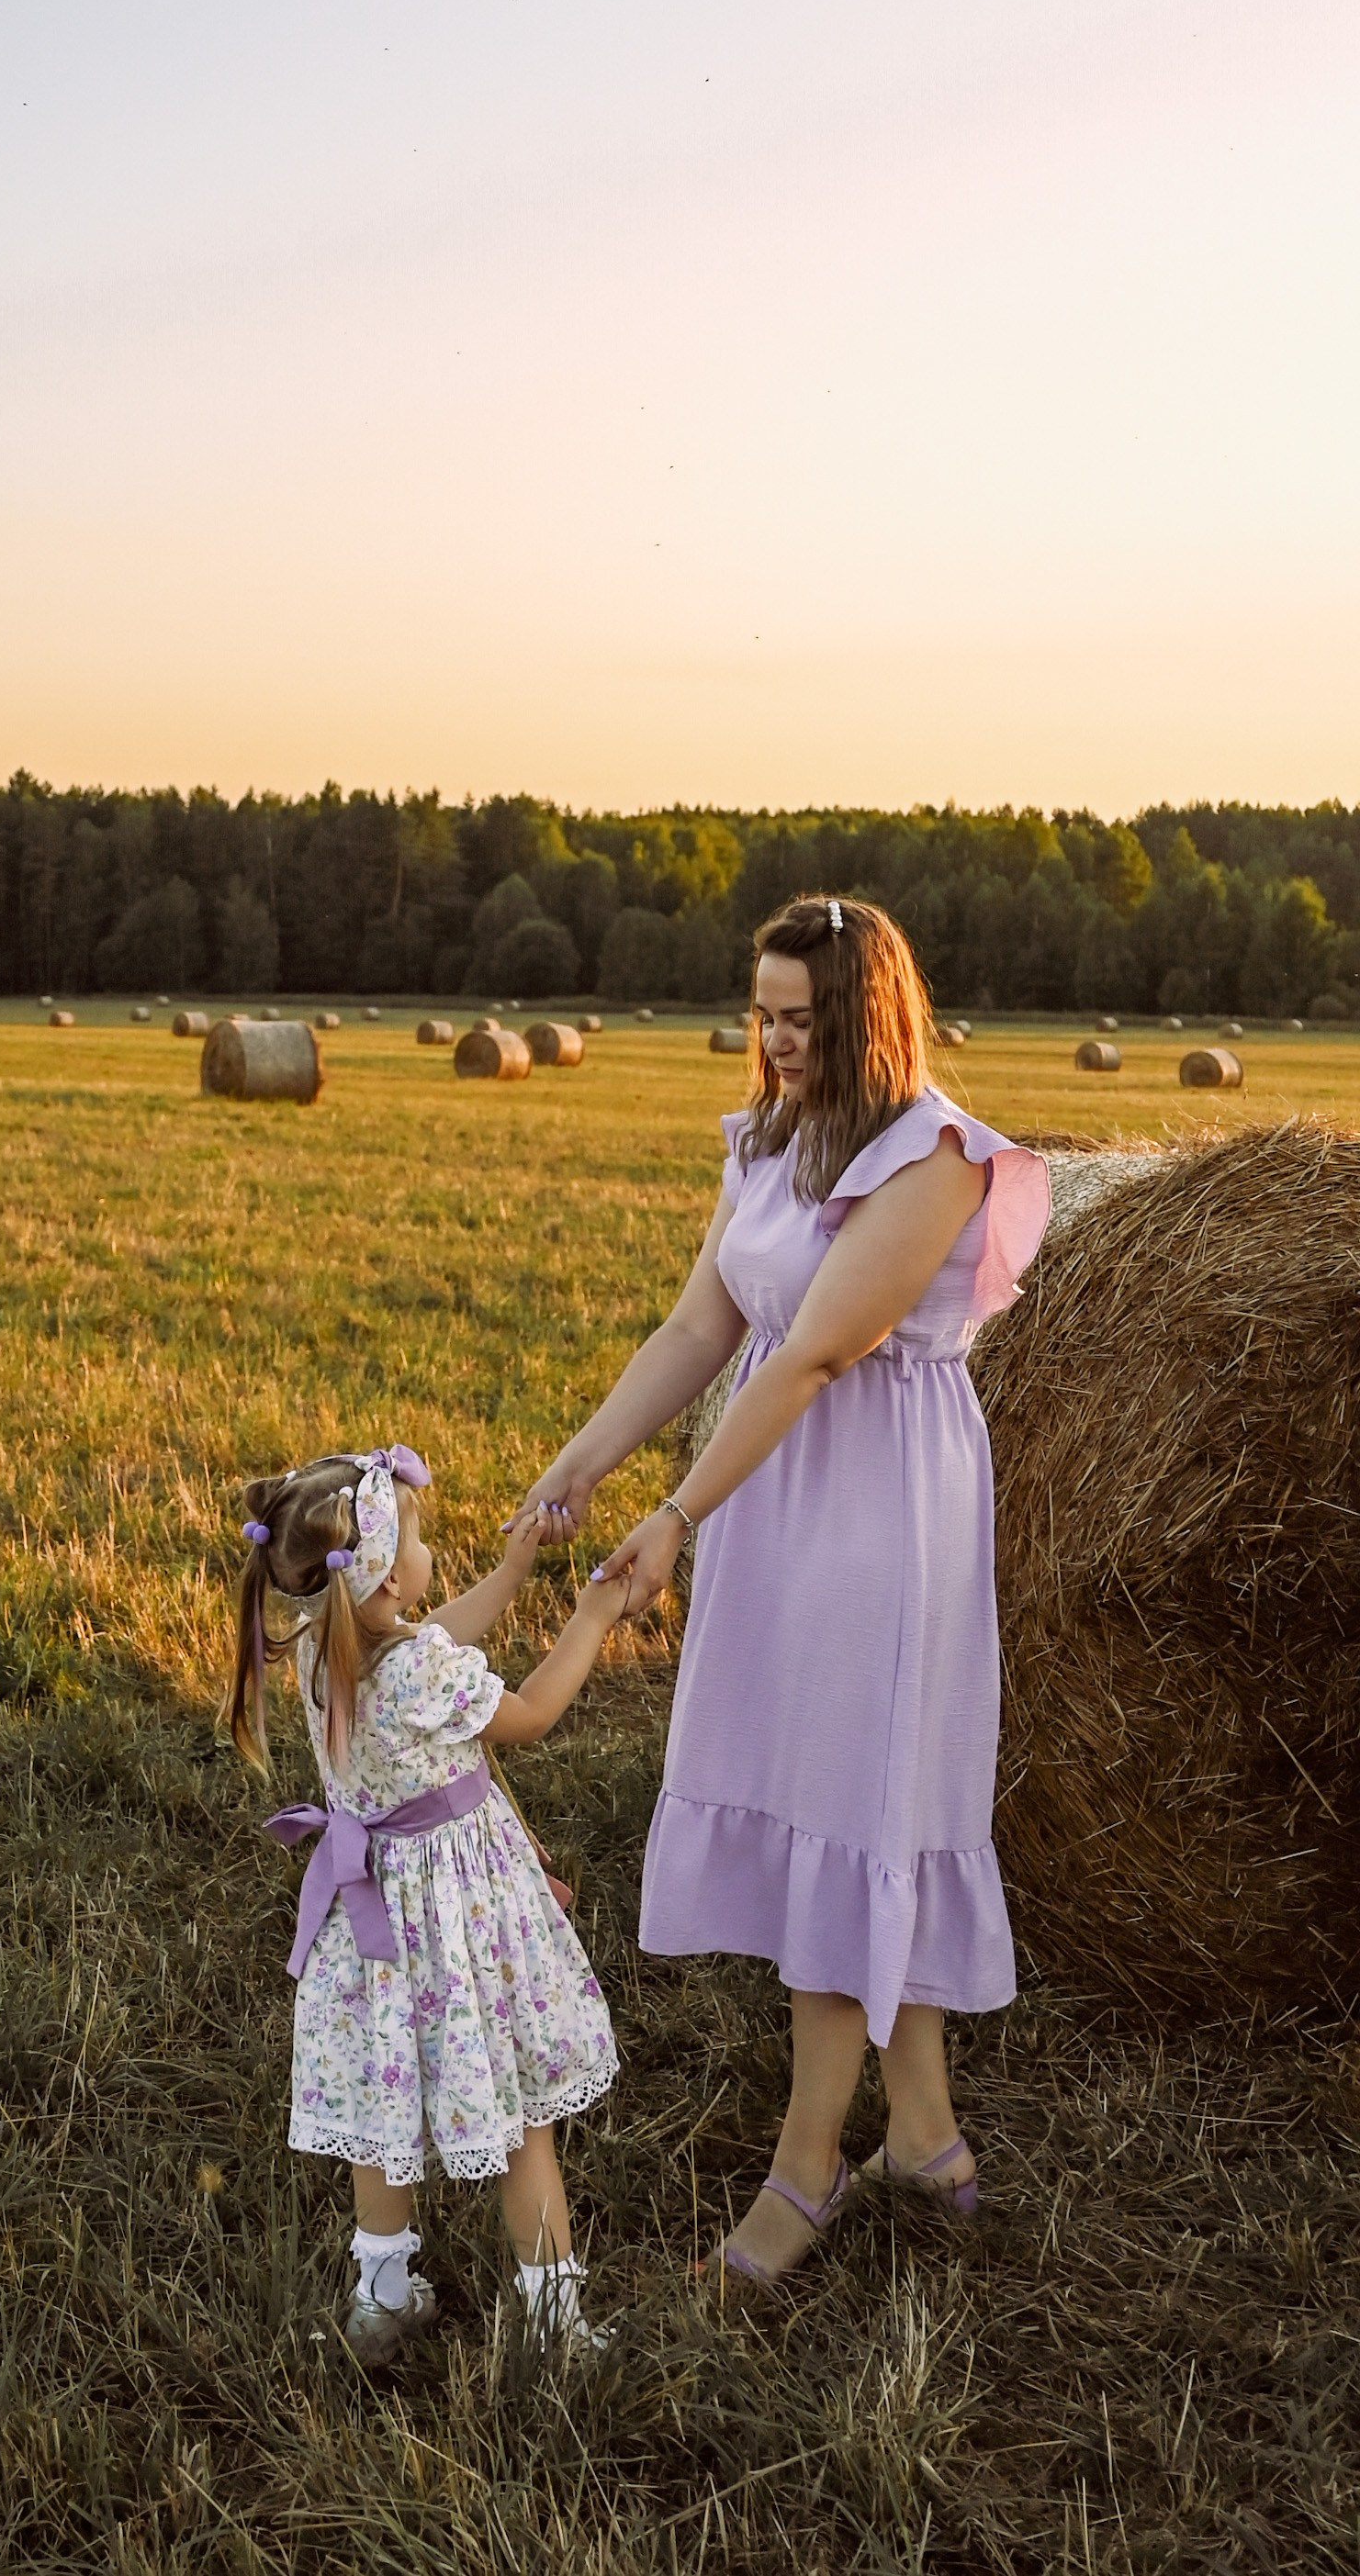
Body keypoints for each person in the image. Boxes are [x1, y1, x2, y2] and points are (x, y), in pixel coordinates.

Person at [512, 896, 1049, 2292]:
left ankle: (807, 2171)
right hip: (776, 1498)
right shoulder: (763, 1138)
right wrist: (585, 1461)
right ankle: (925, 2138)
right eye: (763, 1013)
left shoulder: (933, 1156)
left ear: (872, 1018)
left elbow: (814, 1354)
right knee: (869, 1804)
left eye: (804, 1020)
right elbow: (706, 1323)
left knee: (849, 1799)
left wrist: (680, 1511)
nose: (777, 1040)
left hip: (877, 1504)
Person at [224, 1443, 630, 2364]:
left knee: (382, 2101)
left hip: (373, 1925)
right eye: (414, 1533)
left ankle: (382, 2294)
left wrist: (511, 1570)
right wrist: (593, 1615)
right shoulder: (409, 1670)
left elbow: (430, 1634)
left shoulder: (327, 1645)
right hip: (455, 1922)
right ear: (380, 1572)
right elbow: (525, 1712)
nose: (424, 1545)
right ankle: (550, 2322)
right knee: (519, 2104)